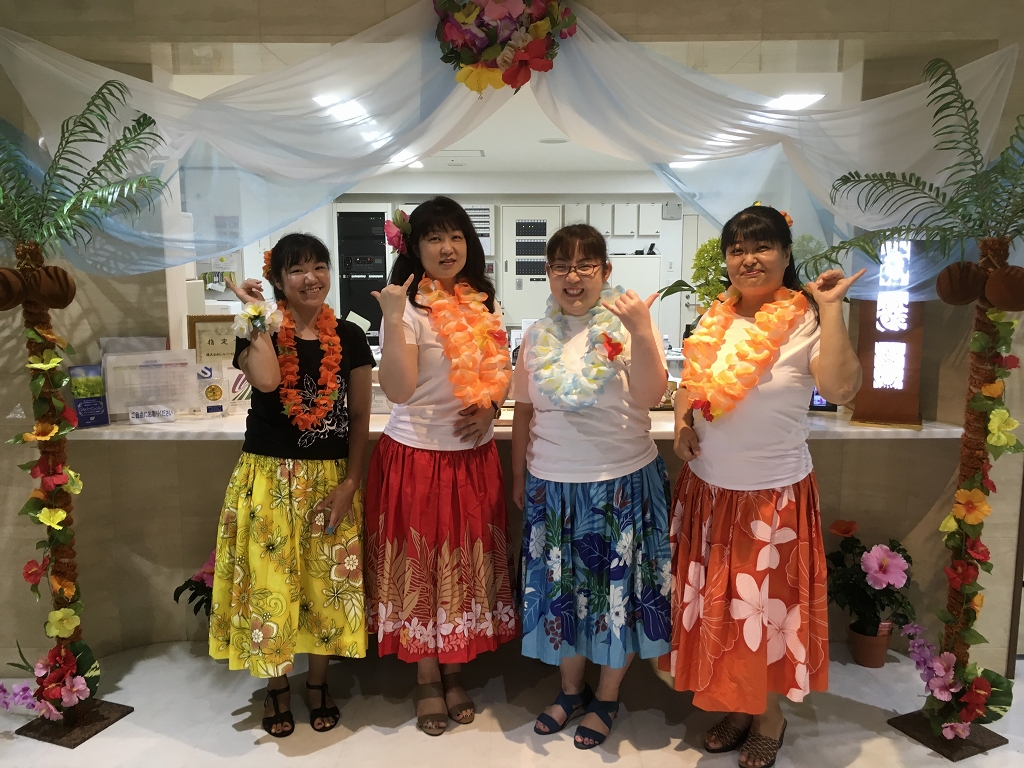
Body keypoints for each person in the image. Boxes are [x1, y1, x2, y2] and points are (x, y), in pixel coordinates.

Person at [664, 205, 864, 768]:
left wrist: (832, 308)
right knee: (722, 609)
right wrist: (682, 425)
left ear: (785, 253)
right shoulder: (715, 317)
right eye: (737, 249)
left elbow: (841, 389)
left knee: (765, 612)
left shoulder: (805, 319)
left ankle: (769, 717)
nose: (748, 259)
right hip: (708, 492)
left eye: (762, 246)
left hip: (773, 498)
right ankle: (738, 705)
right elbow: (690, 385)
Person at [512, 223, 672, 750]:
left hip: (619, 484)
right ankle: (570, 690)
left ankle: (606, 697)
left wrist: (642, 330)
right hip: (552, 488)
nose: (572, 277)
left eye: (585, 265)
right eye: (561, 265)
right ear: (548, 274)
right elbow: (525, 410)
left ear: (605, 271)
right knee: (563, 596)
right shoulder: (535, 336)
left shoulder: (629, 326)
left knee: (614, 596)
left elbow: (651, 395)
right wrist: (519, 475)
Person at [209, 233, 374, 737]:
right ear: (278, 279)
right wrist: (255, 315)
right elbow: (264, 380)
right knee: (272, 584)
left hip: (330, 478)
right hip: (269, 477)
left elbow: (360, 416)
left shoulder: (349, 337)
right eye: (297, 269)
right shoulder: (256, 327)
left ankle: (318, 684)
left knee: (327, 585)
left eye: (319, 266)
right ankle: (277, 687)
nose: (311, 278)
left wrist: (351, 481)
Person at [365, 196, 517, 736]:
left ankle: (455, 669)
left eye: (456, 236)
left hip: (472, 460)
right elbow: (398, 389)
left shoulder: (484, 305)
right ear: (415, 248)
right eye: (433, 237)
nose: (447, 247)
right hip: (415, 459)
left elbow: (501, 371)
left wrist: (493, 407)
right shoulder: (405, 308)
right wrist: (391, 318)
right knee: (421, 568)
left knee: (463, 570)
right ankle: (427, 676)